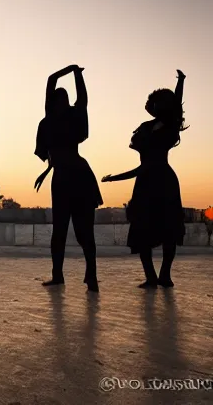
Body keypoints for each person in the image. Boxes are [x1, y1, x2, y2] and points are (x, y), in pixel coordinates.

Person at [102, 70, 187, 288]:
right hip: (147, 183)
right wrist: (115, 178)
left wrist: (180, 82)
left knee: (168, 230)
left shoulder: (168, 127)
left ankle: (165, 275)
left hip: (163, 183)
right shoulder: (147, 127)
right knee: (142, 229)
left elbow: (176, 108)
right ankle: (151, 276)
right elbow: (142, 167)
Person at [34, 65, 102, 292]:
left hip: (76, 177)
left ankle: (90, 275)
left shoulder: (66, 117)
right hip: (66, 177)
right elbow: (52, 81)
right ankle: (60, 275)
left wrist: (76, 73)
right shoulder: (53, 119)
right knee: (61, 231)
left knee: (83, 232)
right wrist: (73, 71)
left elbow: (81, 97)